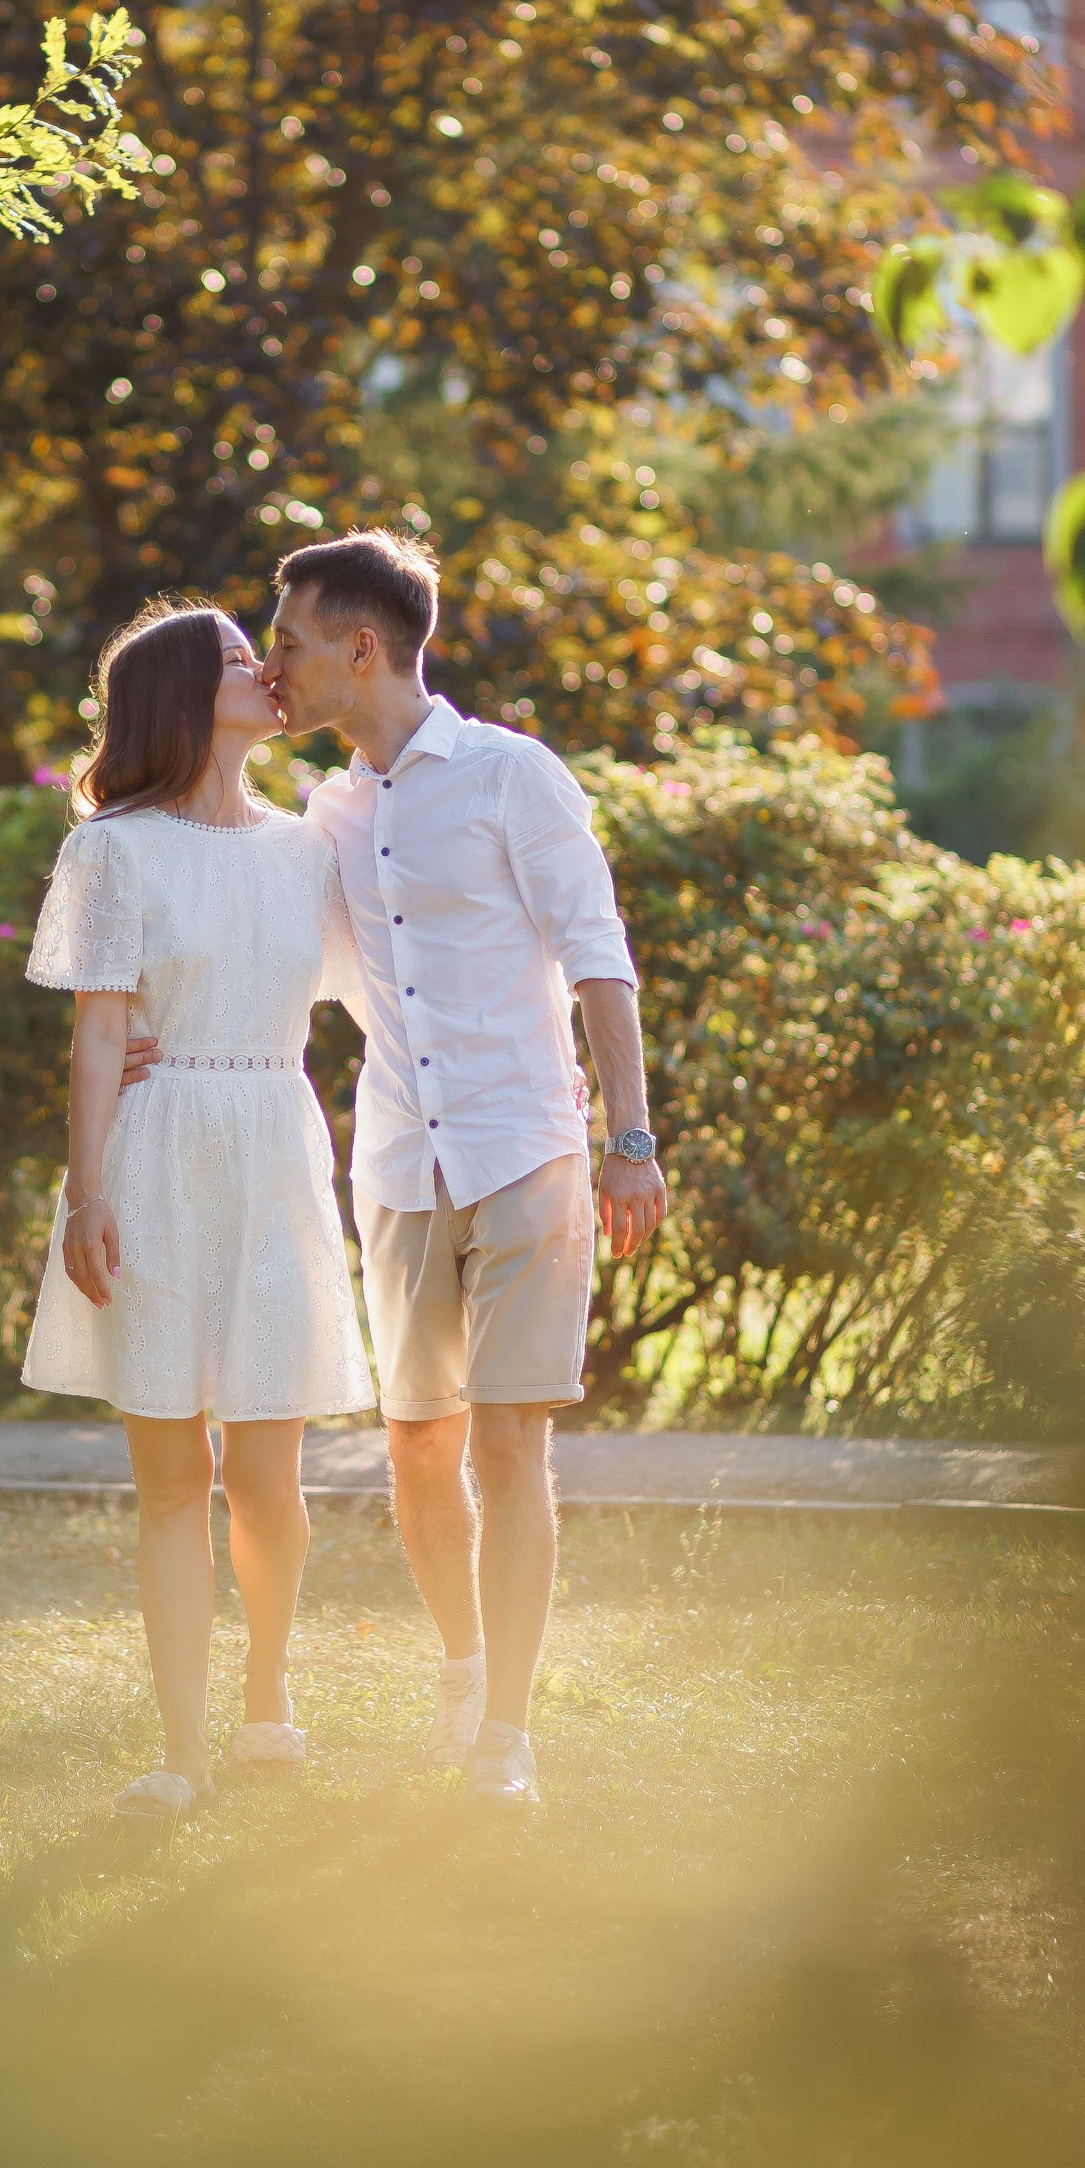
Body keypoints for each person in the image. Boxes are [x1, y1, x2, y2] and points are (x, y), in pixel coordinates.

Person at [267, 529, 667, 1805]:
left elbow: (596, 953)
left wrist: (629, 1139)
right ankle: (459, 1669)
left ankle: (505, 1733)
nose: (274, 662)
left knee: (510, 1446)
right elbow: (289, 973)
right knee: (416, 1450)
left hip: (522, 1151)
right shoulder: (326, 812)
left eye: (288, 640)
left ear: (360, 646)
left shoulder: (510, 776)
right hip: (395, 1165)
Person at [21, 599, 373, 1823]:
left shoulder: (307, 847)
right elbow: (99, 1030)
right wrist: (87, 1190)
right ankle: (181, 1752)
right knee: (173, 1476)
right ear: (180, 694)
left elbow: (381, 978)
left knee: (267, 1472)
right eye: (239, 659)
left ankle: (266, 1702)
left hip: (276, 1145)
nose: (268, 669)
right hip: (158, 1151)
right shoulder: (111, 848)